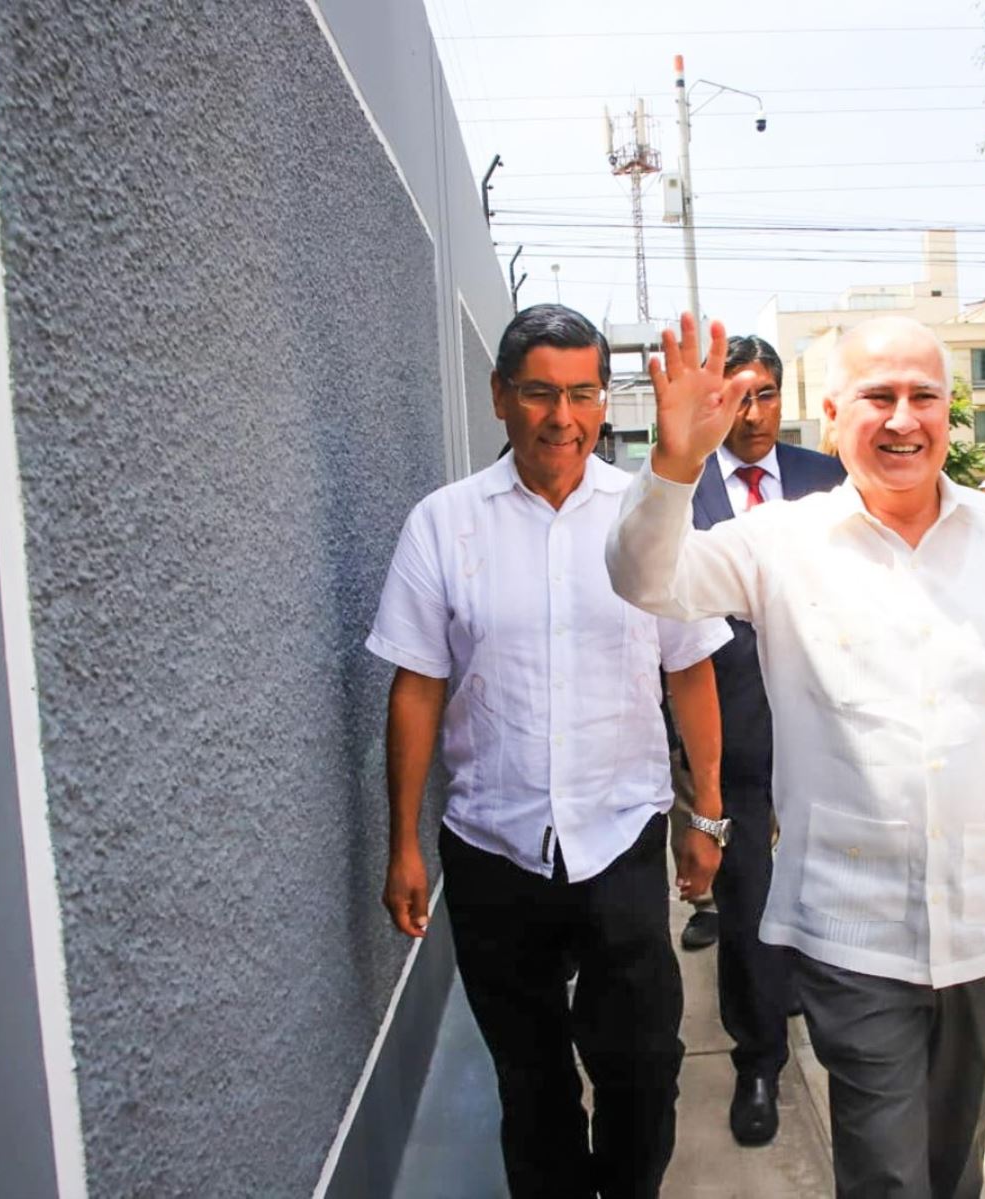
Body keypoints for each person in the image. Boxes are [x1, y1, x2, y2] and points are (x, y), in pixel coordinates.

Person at [608, 313, 985, 1199]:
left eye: (923, 396)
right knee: (886, 1171)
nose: (903, 418)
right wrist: (673, 466)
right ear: (834, 412)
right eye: (878, 396)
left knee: (955, 1157)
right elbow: (643, 578)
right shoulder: (781, 544)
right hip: (853, 929)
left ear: (949, 412)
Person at [369, 305, 732, 1199]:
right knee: (530, 1085)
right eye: (538, 392)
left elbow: (690, 672)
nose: (560, 418)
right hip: (494, 847)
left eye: (580, 394)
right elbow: (416, 687)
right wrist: (404, 841)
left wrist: (709, 814)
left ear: (605, 402)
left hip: (619, 838)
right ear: (500, 397)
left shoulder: (649, 520)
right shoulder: (443, 525)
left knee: (644, 1066)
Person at [673, 334, 847, 1146]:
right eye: (738, 396)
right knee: (748, 898)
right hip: (731, 726)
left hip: (828, 724)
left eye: (767, 393)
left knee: (824, 888)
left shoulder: (826, 478)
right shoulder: (684, 486)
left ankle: (821, 1004)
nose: (754, 412)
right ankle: (758, 1059)